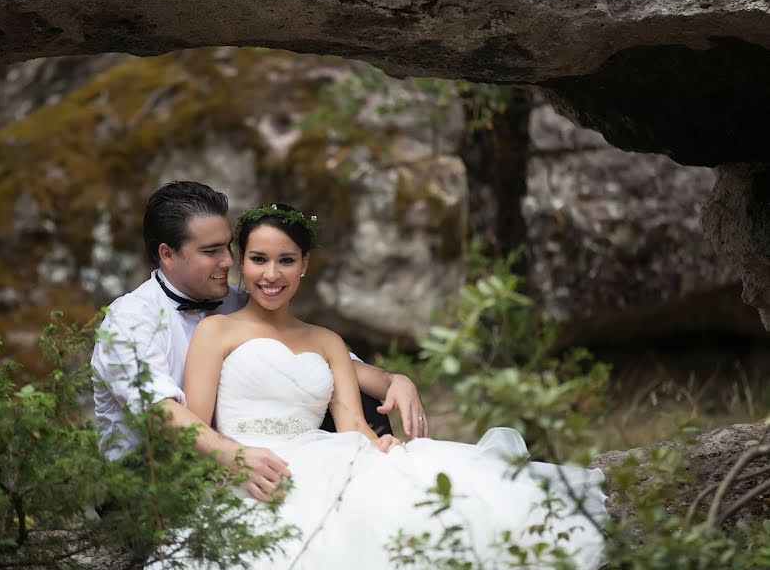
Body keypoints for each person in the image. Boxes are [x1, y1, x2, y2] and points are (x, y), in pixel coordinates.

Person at [153, 203, 606, 569]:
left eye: (286, 260)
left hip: (328, 455)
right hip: (254, 467)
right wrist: (229, 463)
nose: (272, 274)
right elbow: (196, 422)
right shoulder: (217, 332)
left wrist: (378, 445)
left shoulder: (327, 341)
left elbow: (351, 422)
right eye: (259, 259)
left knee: (412, 503)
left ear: (305, 265)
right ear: (240, 263)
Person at [91, 181, 427, 501]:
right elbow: (159, 414)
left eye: (228, 247)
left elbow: (322, 362)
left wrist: (393, 380)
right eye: (211, 251)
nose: (227, 262)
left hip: (264, 445)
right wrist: (233, 456)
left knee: (364, 409)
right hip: (148, 466)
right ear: (168, 254)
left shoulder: (241, 299)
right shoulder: (131, 320)